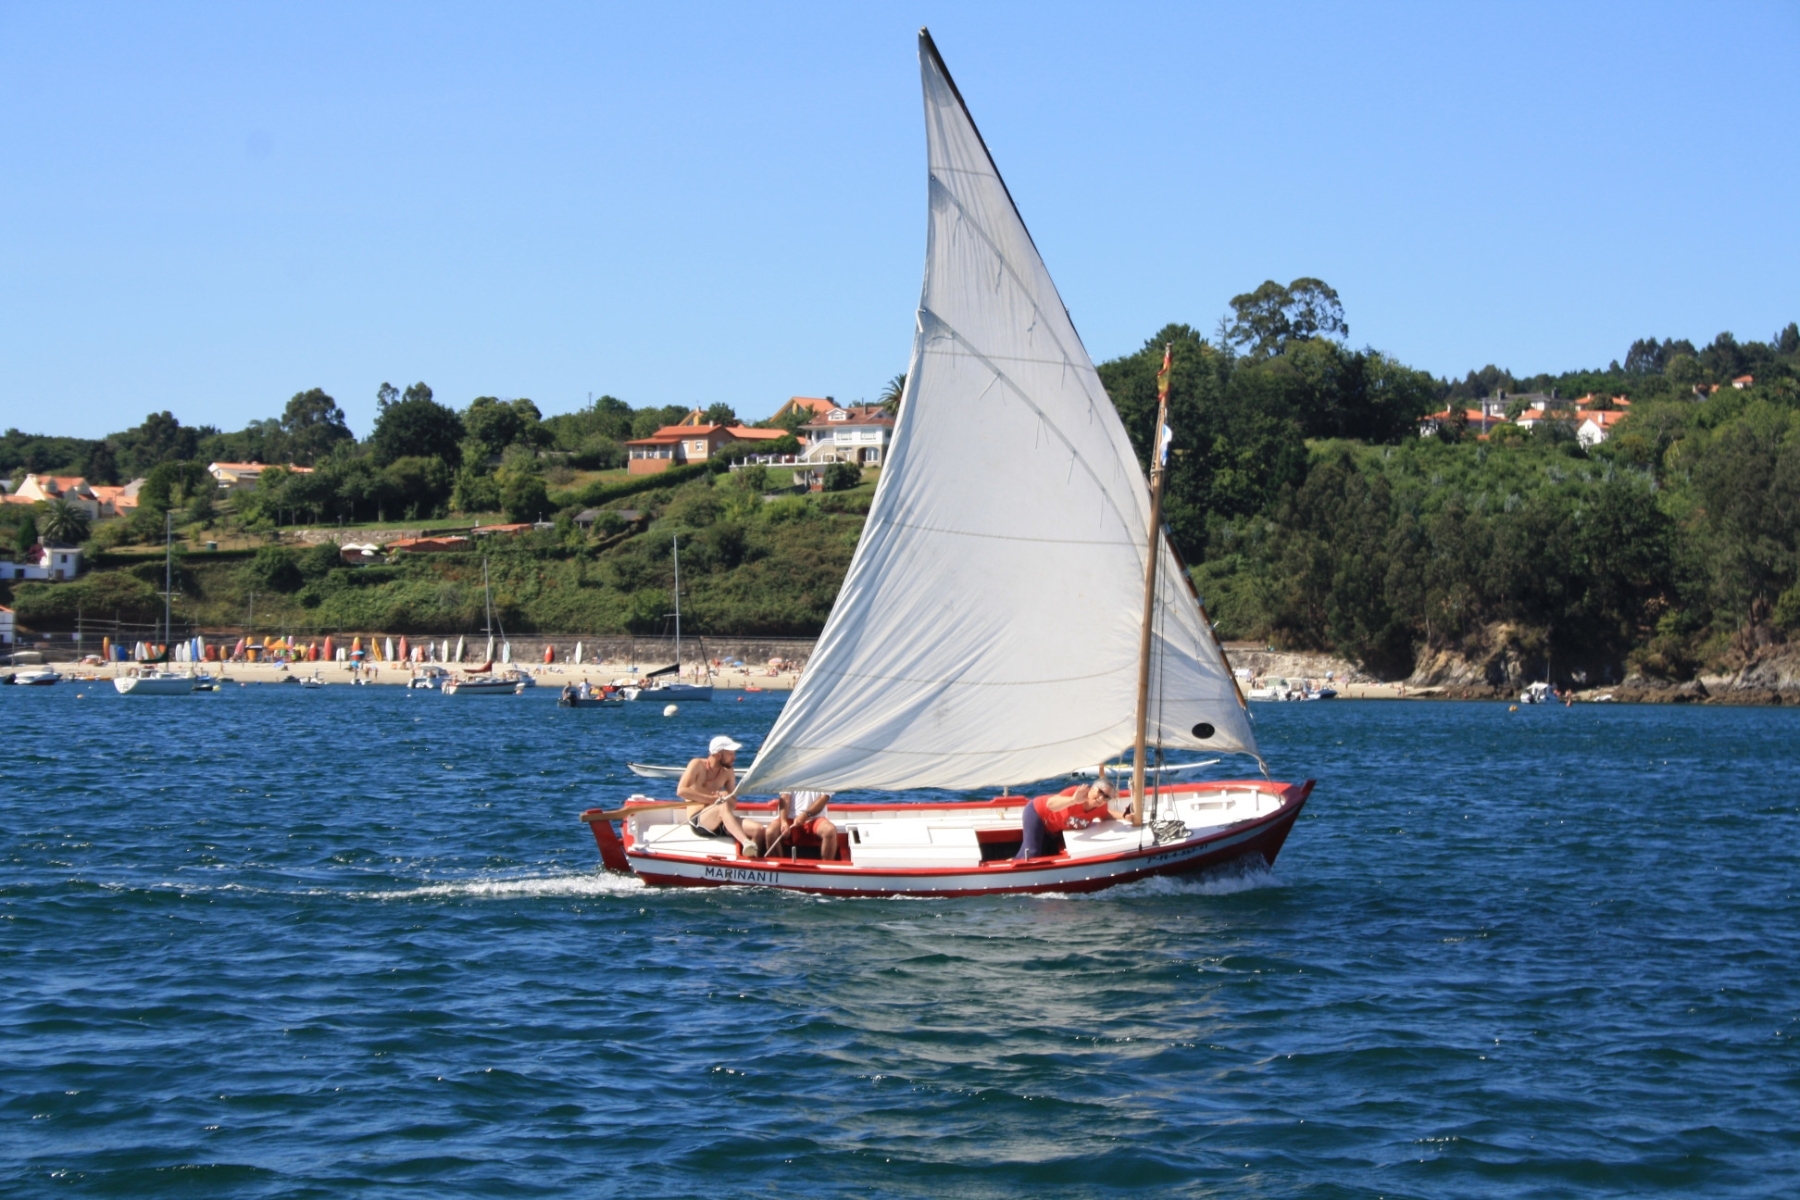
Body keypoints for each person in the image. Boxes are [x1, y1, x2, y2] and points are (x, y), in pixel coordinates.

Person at [679, 735, 765, 854]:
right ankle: (745, 842)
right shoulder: (697, 765)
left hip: (721, 820)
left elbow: (733, 804)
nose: (734, 758)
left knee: (759, 830)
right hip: (699, 821)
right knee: (721, 804)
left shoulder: (728, 772)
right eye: (731, 754)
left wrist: (726, 797)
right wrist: (712, 799)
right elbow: (681, 791)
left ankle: (751, 861)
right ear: (718, 755)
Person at [1014, 777, 1129, 860]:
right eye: (1100, 792)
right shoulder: (1076, 793)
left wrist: (1125, 816)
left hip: (1054, 829)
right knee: (1031, 854)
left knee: (1048, 855)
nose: (1101, 798)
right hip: (1037, 813)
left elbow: (1107, 815)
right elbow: (1051, 805)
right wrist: (1073, 800)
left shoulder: (1100, 807)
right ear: (1092, 788)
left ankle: (1013, 861)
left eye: (1106, 797)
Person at [766, 790, 840, 861]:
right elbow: (785, 797)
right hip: (789, 818)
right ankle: (777, 866)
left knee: (829, 830)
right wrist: (783, 821)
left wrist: (805, 815)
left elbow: (823, 799)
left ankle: (826, 868)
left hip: (815, 818)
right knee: (771, 832)